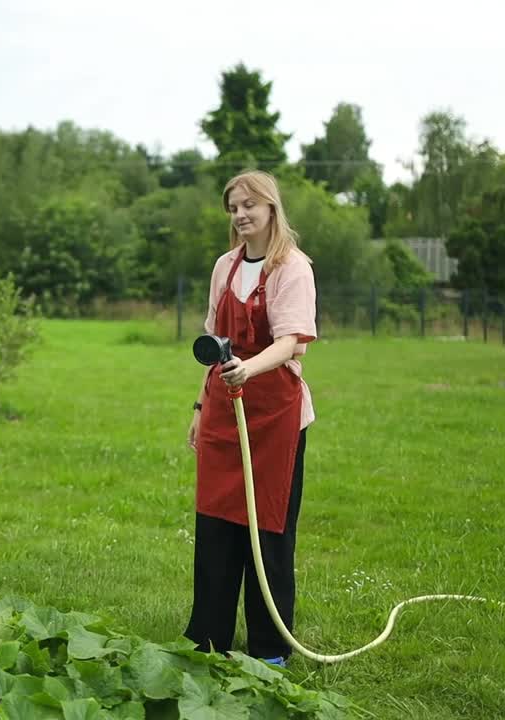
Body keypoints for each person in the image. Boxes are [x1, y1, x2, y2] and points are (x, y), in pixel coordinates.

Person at [184, 169, 317, 667]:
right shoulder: (224, 267)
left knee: (269, 532)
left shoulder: (292, 268)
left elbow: (289, 343)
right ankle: (207, 640)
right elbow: (215, 346)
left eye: (248, 206)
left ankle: (269, 651)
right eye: (233, 208)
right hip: (224, 409)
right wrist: (202, 406)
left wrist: (248, 368)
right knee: (216, 527)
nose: (240, 215)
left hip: (274, 416)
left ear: (271, 209)